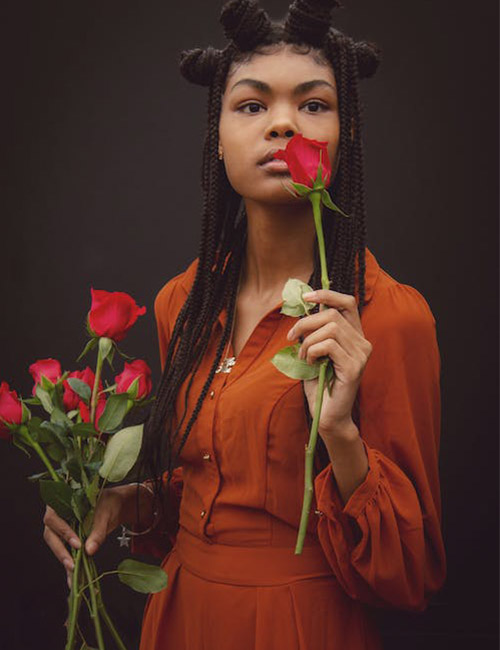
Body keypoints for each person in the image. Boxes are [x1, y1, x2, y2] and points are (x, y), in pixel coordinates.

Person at [42, 0, 447, 648]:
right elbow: (206, 485)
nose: (283, 123)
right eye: (252, 105)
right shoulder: (184, 302)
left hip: (301, 628)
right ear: (218, 134)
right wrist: (125, 499)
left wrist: (339, 432)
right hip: (180, 618)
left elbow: (409, 576)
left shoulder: (388, 319)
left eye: (313, 104)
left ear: (346, 135)